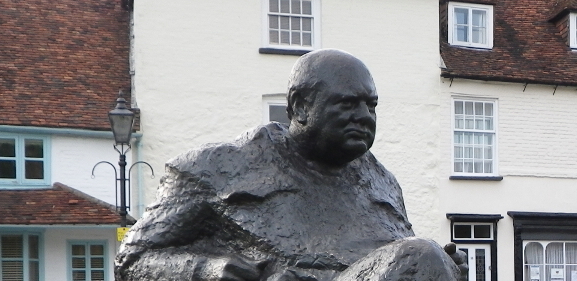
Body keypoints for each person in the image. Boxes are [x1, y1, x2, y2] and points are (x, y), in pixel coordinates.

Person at [114, 49, 464, 281]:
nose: (363, 116)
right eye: (347, 104)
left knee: (424, 255)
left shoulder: (382, 183)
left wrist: (446, 268)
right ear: (300, 106)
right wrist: (205, 269)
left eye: (371, 106)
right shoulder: (217, 168)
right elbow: (132, 260)